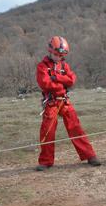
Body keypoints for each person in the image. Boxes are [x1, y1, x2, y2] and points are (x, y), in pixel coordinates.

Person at [35, 36, 100, 171]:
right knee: (47, 131)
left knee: (75, 127)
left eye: (61, 55)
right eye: (56, 54)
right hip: (51, 103)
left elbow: (72, 80)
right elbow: (45, 84)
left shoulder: (64, 65)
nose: (58, 57)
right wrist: (62, 85)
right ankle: (46, 161)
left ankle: (90, 155)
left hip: (64, 101)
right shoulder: (42, 66)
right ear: (50, 51)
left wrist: (57, 78)